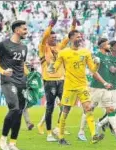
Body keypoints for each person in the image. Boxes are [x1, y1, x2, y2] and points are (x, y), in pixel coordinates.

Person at [50, 30, 104, 145]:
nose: (80, 38)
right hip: (69, 86)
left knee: (88, 108)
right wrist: (51, 67)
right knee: (65, 110)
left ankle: (94, 135)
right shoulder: (63, 53)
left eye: (81, 36)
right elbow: (54, 68)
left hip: (82, 85)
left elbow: (93, 70)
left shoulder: (86, 52)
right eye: (77, 37)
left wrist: (97, 64)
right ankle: (61, 137)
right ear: (70, 38)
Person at [37, 11, 76, 141]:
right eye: (52, 37)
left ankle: (58, 127)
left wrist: (74, 25)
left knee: (65, 105)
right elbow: (44, 36)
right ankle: (49, 134)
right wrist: (51, 25)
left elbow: (69, 38)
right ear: (48, 39)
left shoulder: (59, 47)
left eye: (55, 37)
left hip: (62, 80)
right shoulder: (43, 47)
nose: (54, 39)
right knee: (50, 107)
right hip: (49, 81)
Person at [0, 20, 29, 150]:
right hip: (8, 80)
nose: (26, 31)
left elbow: (22, 64)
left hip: (21, 82)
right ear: (17, 30)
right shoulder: (3, 45)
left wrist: (29, 76)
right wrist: (2, 71)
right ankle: (2, 139)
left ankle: (13, 143)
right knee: (14, 108)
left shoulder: (24, 47)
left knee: (18, 113)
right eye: (24, 29)